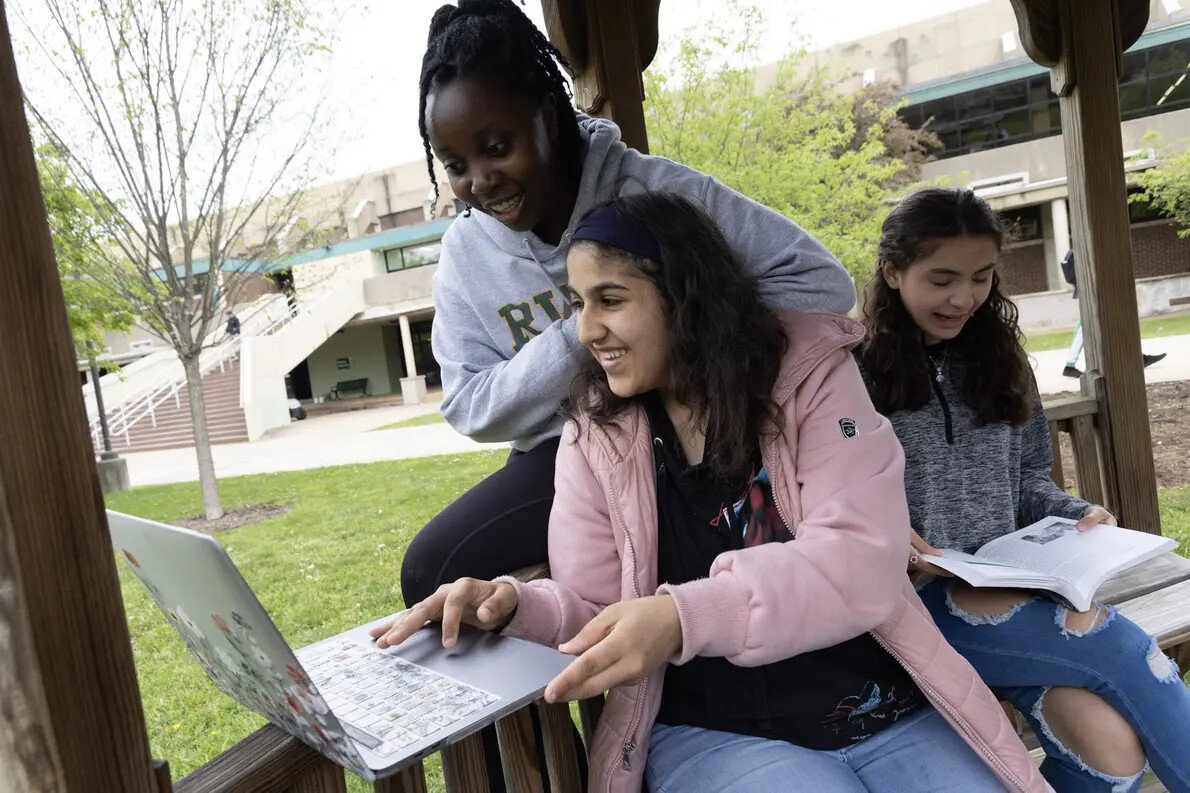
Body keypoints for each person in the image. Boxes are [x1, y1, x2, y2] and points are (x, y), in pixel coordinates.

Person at [373, 192, 1049, 793]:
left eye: (610, 299)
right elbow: (596, 608)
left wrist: (681, 616)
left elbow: (862, 559)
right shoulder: (597, 432)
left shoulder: (809, 380)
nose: (586, 329)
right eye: (578, 303)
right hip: (716, 730)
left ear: (685, 297)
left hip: (877, 706)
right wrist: (512, 606)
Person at [400, 0, 856, 610]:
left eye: (497, 147)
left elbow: (819, 282)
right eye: (456, 165)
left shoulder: (655, 193)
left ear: (547, 116)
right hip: (574, 449)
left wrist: (677, 333)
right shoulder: (466, 255)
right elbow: (469, 405)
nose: (480, 181)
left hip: (699, 429)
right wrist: (579, 337)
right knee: (432, 568)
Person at [858, 187, 1190, 793]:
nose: (964, 298)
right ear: (893, 270)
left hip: (1016, 581)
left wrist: (1076, 512)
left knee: (1110, 750)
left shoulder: (999, 356)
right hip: (911, 600)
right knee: (1117, 645)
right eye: (942, 279)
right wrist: (885, 537)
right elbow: (815, 496)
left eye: (981, 278)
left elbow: (1029, 477)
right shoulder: (848, 375)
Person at [1059, 248, 1166, 378]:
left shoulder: (1082, 249)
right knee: (1085, 328)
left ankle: (1138, 358)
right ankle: (1069, 366)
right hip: (1091, 292)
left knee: (1114, 323)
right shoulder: (1085, 248)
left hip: (1093, 291)